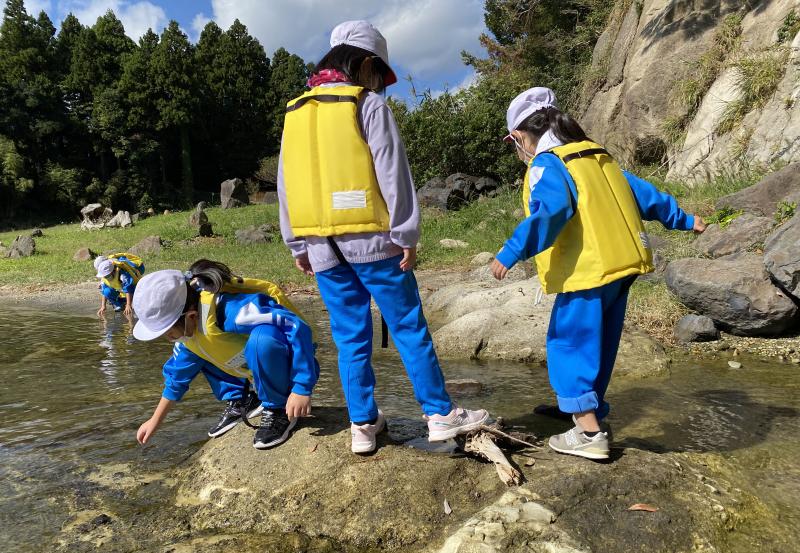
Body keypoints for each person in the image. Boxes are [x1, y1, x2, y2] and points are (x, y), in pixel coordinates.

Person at [278, 20, 489, 454]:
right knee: (408, 326)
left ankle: (362, 424)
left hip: (321, 246)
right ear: (365, 63)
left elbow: (286, 184)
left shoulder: (295, 111)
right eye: (379, 73)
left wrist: (296, 243)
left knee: (349, 337)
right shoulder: (367, 105)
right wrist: (406, 232)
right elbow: (393, 173)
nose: (379, 83)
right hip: (374, 241)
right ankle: (440, 414)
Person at [491, 87, 707, 461]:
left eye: (515, 144)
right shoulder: (594, 154)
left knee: (569, 342)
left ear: (521, 136)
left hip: (588, 269)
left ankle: (589, 433)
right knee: (601, 343)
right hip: (623, 264)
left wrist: (511, 251)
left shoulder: (547, 164)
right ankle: (585, 410)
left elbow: (551, 212)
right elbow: (644, 195)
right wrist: (684, 219)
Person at [132, 259, 319, 450]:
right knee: (198, 352)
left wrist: (301, 388)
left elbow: (296, 326)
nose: (168, 339)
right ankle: (243, 399)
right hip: (253, 373)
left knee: (262, 340)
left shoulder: (233, 311)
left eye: (169, 333)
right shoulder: (189, 336)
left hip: (290, 366)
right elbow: (177, 378)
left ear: (190, 316)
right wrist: (155, 420)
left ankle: (277, 407)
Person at [95, 253, 145, 317]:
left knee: (135, 307)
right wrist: (103, 306)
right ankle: (120, 305)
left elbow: (128, 289)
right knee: (106, 291)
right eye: (104, 276)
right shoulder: (105, 277)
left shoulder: (123, 275)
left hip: (134, 290)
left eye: (107, 276)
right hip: (122, 291)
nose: (106, 278)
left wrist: (128, 305)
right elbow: (104, 292)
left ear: (112, 271)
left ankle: (131, 302)